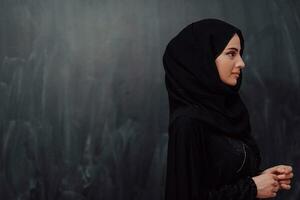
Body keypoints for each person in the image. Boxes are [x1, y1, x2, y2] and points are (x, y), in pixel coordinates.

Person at [162, 18, 293, 200]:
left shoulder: (229, 114)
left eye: (240, 54)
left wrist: (263, 178)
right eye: (231, 54)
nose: (241, 63)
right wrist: (252, 188)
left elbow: (223, 180)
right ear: (203, 59)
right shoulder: (188, 123)